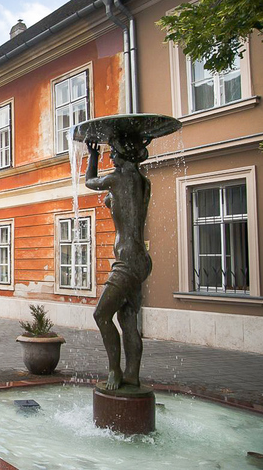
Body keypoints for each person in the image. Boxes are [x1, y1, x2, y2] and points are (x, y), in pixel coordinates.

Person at [85, 138, 152, 391]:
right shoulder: (143, 183)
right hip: (140, 259)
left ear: (125, 155)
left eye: (114, 153)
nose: (110, 158)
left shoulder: (117, 179)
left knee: (101, 315)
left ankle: (114, 369)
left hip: (126, 260)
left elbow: (90, 182)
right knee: (127, 319)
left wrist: (92, 157)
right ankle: (132, 375)